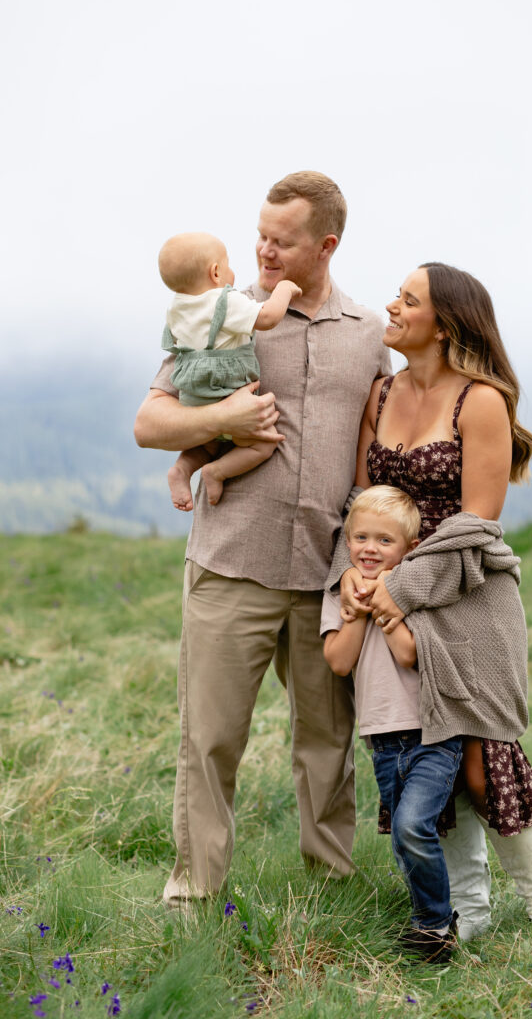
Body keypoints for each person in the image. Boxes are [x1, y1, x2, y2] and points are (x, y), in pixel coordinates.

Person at [134, 171, 390, 906]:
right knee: (209, 742)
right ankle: (192, 900)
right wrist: (222, 424)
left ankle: (331, 896)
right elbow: (150, 423)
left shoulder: (369, 334)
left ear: (326, 245)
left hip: (325, 574)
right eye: (260, 235)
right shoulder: (221, 313)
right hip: (230, 565)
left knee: (326, 746)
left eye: (282, 241)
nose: (264, 251)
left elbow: (376, 448)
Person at [336, 263, 532, 939]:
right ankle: (468, 911)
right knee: (425, 750)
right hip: (391, 596)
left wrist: (393, 591)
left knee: (483, 760)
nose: (392, 305)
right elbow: (359, 505)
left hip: (467, 596)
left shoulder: (481, 401)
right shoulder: (378, 396)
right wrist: (351, 576)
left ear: (443, 324)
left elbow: (475, 525)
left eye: (407, 300)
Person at [322, 485, 463, 963]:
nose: (370, 549)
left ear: (409, 549)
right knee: (405, 840)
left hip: (433, 736)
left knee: (410, 827)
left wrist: (381, 604)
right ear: (347, 541)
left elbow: (407, 653)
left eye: (385, 541)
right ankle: (436, 924)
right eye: (361, 537)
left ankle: (435, 923)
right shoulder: (340, 595)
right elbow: (339, 661)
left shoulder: (411, 592)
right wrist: (357, 612)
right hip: (382, 739)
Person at [158, 231, 303, 510]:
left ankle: (182, 469)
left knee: (207, 444)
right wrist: (284, 289)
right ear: (215, 273)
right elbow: (269, 317)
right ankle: (217, 471)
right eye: (227, 265)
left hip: (192, 396)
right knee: (263, 444)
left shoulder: (177, 309)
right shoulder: (225, 301)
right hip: (226, 392)